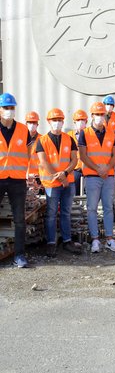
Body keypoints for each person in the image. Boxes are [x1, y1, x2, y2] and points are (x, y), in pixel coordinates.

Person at [37, 108, 81, 257]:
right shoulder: (42, 141)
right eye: (54, 120)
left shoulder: (70, 139)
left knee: (66, 213)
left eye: (59, 120)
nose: (57, 122)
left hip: (68, 183)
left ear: (63, 122)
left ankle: (67, 241)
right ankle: (51, 243)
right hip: (52, 184)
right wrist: (60, 177)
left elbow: (74, 160)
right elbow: (44, 162)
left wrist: (65, 173)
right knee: (51, 214)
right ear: (49, 122)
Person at [78, 101, 115, 253]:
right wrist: (98, 169)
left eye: (102, 114)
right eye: (97, 114)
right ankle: (95, 239)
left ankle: (109, 238)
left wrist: (107, 168)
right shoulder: (85, 133)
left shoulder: (112, 133)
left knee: (108, 208)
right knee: (92, 208)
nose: (100, 117)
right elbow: (83, 156)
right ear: (92, 115)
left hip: (108, 176)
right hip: (92, 177)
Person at [0, 93, 32, 268]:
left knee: (19, 219)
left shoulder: (23, 130)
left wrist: (28, 172)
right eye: (5, 107)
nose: (9, 110)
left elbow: (28, 154)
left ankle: (19, 255)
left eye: (11, 107)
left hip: (17, 180)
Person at [68, 109, 88, 196]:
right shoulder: (69, 135)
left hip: (88, 169)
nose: (80, 122)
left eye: (82, 120)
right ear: (74, 122)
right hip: (75, 169)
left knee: (89, 194)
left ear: (86, 121)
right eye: (78, 120)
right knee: (74, 194)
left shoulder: (90, 134)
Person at [25, 111, 41, 186]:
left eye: (34, 122)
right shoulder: (21, 139)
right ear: (26, 124)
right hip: (23, 175)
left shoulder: (42, 139)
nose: (32, 125)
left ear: (37, 124)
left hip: (38, 177)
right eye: (30, 122)